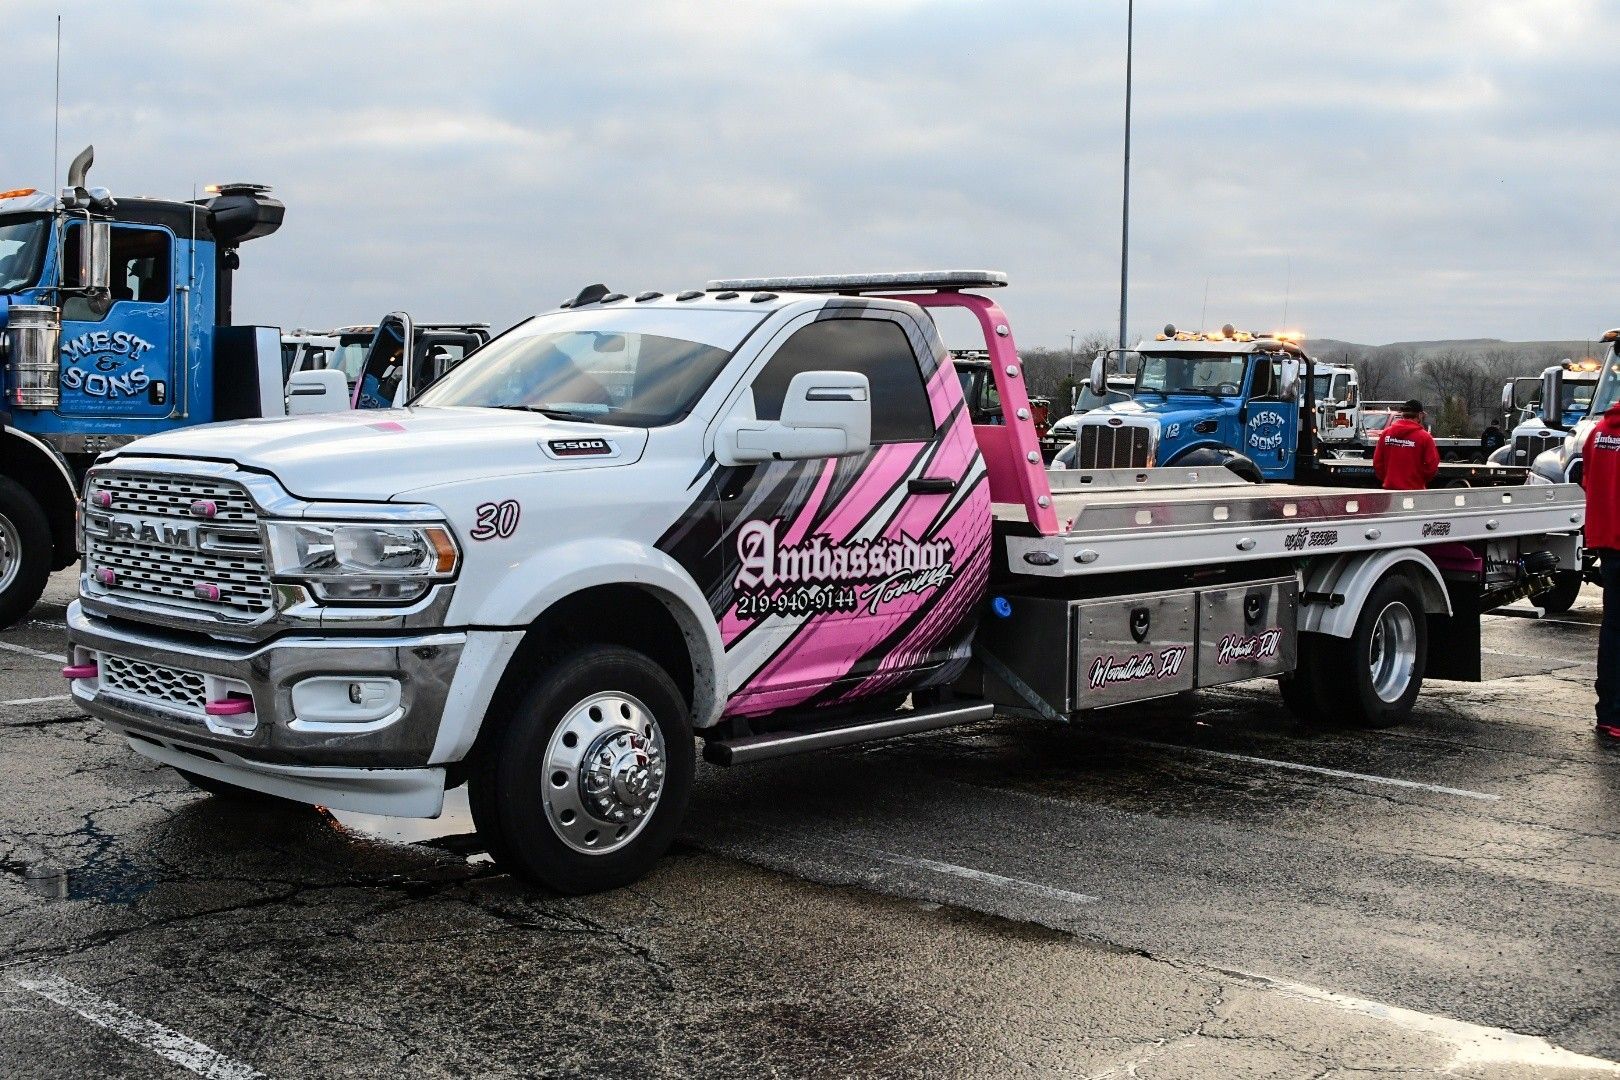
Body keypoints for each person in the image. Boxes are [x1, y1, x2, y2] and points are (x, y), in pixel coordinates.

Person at [1581, 396, 1620, 741]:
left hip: (1607, 541)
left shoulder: (1598, 432)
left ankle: (1609, 712)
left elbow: (1587, 480)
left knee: (1613, 629)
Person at [1373, 399, 1440, 490]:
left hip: (1390, 491)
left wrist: (1389, 478)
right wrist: (1419, 479)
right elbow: (1432, 465)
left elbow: (1377, 462)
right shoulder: (1425, 437)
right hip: (1414, 492)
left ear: (1402, 414)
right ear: (1420, 415)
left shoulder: (1386, 434)